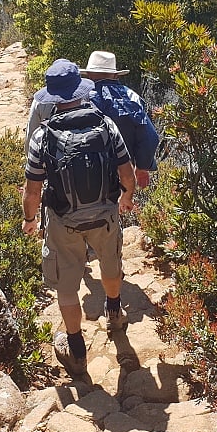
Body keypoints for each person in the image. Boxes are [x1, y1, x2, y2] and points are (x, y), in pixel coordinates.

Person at [22, 59, 136, 380]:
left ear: (52, 97)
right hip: (105, 215)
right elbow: (127, 173)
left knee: (67, 286)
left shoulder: (41, 138)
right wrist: (126, 198)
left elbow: (32, 192)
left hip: (63, 221)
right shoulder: (106, 125)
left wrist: (30, 220)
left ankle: (76, 350)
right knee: (110, 266)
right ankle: (114, 313)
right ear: (81, 91)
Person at [26, 50, 160, 189]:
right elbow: (150, 137)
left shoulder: (81, 98)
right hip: (127, 172)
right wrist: (142, 166)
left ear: (88, 74)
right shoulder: (133, 97)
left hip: (90, 174)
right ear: (115, 74)